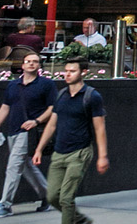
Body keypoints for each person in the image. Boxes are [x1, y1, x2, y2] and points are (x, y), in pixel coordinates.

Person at [0, 48, 53, 218]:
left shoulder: (46, 84)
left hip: (29, 132)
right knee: (26, 166)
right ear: (23, 64)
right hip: (12, 130)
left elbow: (52, 108)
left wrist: (36, 121)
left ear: (39, 65)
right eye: (28, 61)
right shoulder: (13, 85)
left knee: (13, 166)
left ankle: (5, 204)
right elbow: (4, 108)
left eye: (35, 61)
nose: (31, 64)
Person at [35, 56, 107, 224]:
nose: (67, 75)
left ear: (83, 72)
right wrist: (39, 149)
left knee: (66, 199)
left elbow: (99, 128)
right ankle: (81, 220)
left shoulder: (91, 96)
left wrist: (102, 156)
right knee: (52, 196)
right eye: (66, 71)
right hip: (59, 152)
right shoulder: (61, 95)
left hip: (79, 152)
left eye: (72, 71)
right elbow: (52, 125)